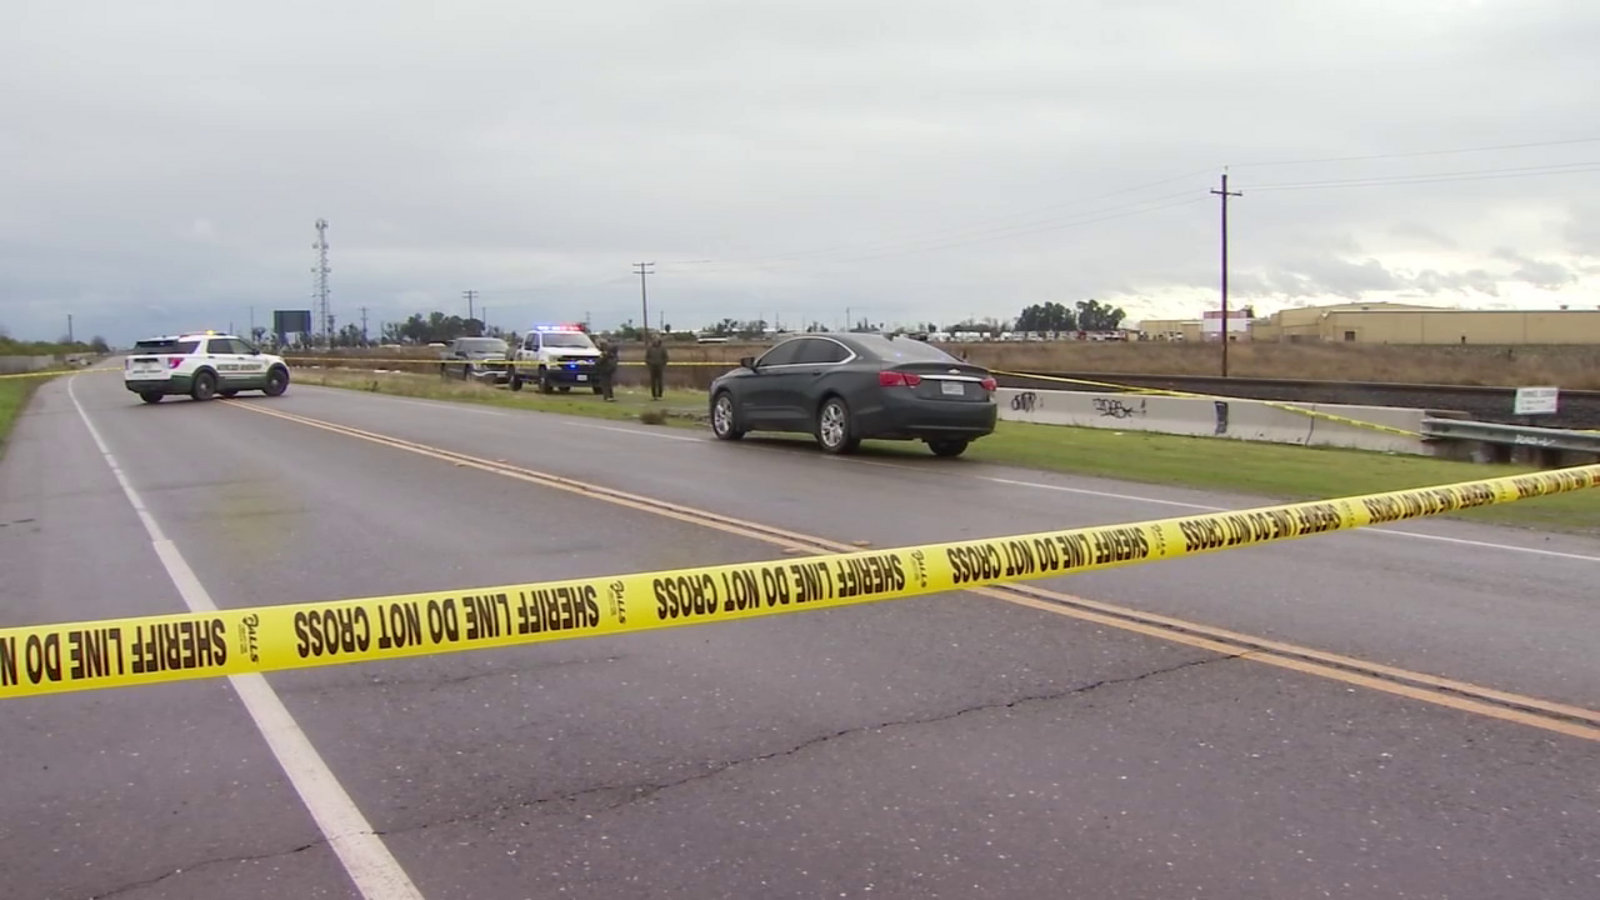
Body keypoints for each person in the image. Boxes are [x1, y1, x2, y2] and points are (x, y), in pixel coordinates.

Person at [645, 336, 669, 400]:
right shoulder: (650, 348)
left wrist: (662, 364)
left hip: (660, 367)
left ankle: (660, 395)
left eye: (656, 339)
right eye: (654, 339)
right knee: (653, 382)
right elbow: (647, 358)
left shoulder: (662, 348)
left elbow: (666, 358)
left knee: (660, 382)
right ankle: (653, 396)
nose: (655, 341)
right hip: (652, 367)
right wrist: (650, 364)